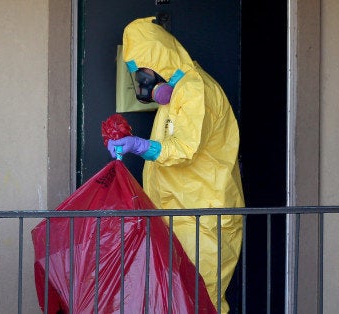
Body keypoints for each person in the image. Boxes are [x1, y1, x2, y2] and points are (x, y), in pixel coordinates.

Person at [107, 16, 245, 313]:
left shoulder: (197, 91)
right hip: (179, 217)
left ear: (159, 58)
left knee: (200, 300)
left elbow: (184, 149)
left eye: (143, 70)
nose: (144, 83)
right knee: (175, 299)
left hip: (204, 219)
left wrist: (139, 146)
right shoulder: (178, 93)